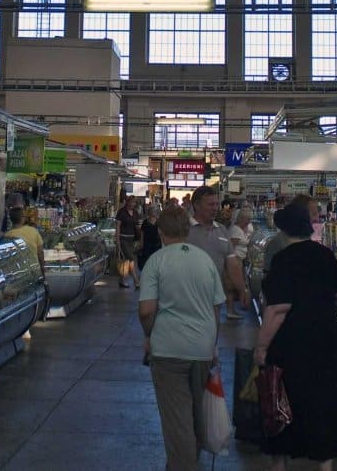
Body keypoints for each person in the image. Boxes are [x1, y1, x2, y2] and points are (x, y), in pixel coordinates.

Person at [254, 202, 337, 470]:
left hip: (291, 343)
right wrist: (320, 307)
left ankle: (280, 462)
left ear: (285, 231)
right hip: (325, 340)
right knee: (323, 401)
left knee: (284, 400)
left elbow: (277, 309)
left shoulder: (283, 259)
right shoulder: (324, 254)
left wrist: (261, 347)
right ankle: (325, 464)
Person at [138, 206, 225, 471]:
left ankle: (182, 466)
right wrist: (212, 343)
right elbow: (216, 308)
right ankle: (188, 461)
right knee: (197, 415)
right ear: (187, 231)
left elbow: (146, 310)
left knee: (177, 421)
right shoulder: (205, 261)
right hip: (202, 348)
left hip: (168, 350)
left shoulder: (156, 261)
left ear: (161, 232)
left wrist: (149, 334)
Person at [186, 185, 248, 320]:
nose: (215, 208)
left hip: (213, 298)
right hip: (186, 298)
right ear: (196, 205)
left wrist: (242, 289)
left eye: (216, 204)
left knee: (211, 335)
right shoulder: (184, 230)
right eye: (210, 204)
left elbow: (232, 264)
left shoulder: (222, 230)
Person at [263, 195, 319, 270]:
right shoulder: (279, 244)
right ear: (300, 215)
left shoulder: (303, 238)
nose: (317, 219)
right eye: (314, 214)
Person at [228, 208, 254, 314]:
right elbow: (230, 247)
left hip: (240, 261)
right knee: (232, 286)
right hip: (235, 261)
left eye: (249, 219)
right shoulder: (236, 230)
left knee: (236, 286)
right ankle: (231, 310)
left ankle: (233, 309)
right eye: (246, 219)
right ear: (240, 219)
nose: (248, 221)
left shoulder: (243, 230)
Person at [7, 206, 45, 276]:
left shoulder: (8, 235)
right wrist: (42, 268)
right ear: (22, 218)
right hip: (34, 270)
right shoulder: (33, 231)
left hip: (18, 273)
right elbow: (40, 252)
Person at [114, 195, 141, 288]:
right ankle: (136, 281)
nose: (132, 204)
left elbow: (137, 226)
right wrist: (117, 240)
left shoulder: (135, 213)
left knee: (125, 260)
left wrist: (140, 237)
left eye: (134, 202)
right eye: (131, 202)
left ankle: (121, 280)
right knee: (131, 259)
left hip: (132, 239)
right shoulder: (122, 212)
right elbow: (117, 226)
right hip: (123, 238)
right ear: (127, 202)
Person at [137, 205, 161, 271]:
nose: (155, 213)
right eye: (154, 212)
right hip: (147, 243)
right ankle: (145, 270)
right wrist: (141, 243)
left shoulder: (158, 222)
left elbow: (160, 233)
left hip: (156, 243)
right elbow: (142, 233)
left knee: (155, 258)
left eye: (156, 212)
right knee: (146, 257)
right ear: (150, 213)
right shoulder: (145, 222)